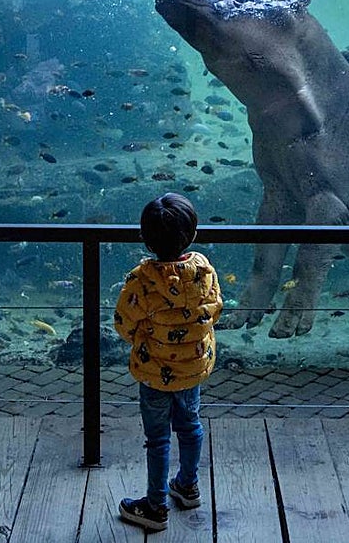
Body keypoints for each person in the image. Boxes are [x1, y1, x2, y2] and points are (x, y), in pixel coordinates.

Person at [113, 193, 223, 532]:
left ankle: (156, 506)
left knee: (158, 438)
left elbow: (124, 323)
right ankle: (188, 486)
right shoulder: (203, 271)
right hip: (191, 369)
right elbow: (215, 309)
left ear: (146, 240)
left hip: (154, 372)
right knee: (190, 426)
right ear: (192, 234)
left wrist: (144, 338)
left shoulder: (142, 279)